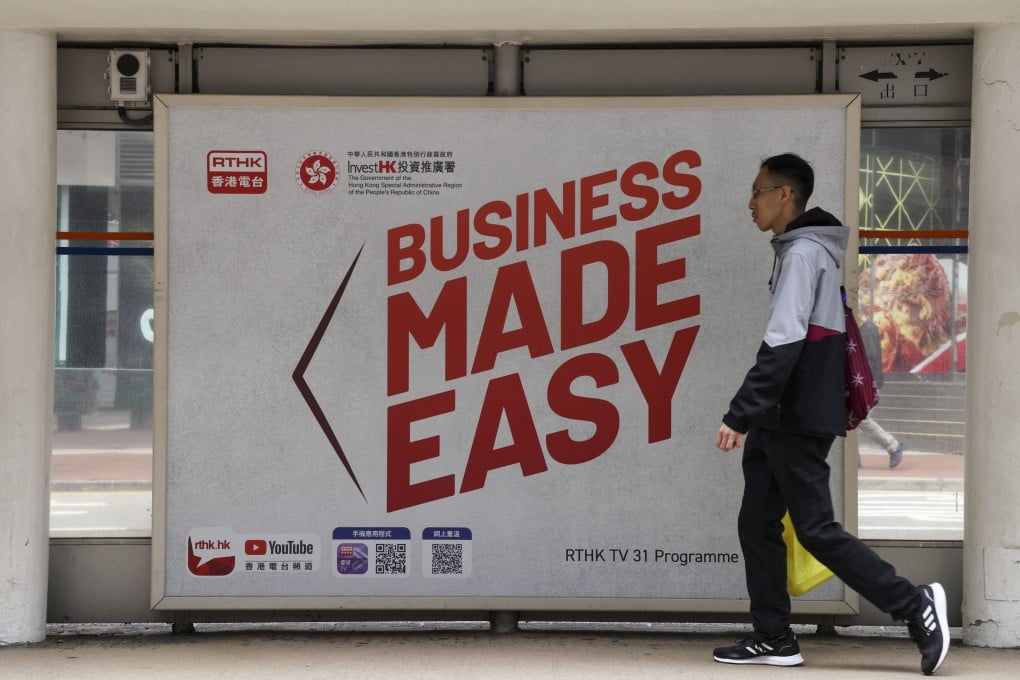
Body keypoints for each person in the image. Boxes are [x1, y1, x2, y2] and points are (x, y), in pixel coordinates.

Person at [712, 153, 949, 675]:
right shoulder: (800, 250)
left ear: (784, 195)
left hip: (795, 415)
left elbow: (784, 342)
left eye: (757, 191)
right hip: (781, 415)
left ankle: (914, 605)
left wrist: (739, 414)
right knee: (757, 523)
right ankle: (774, 637)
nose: (750, 203)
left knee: (815, 528)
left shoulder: (802, 254)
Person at [857, 317, 904, 468]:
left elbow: (869, 357)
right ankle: (853, 457)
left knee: (860, 418)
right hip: (867, 383)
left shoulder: (867, 329)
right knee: (852, 419)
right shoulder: (864, 329)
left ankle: (893, 446)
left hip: (868, 385)